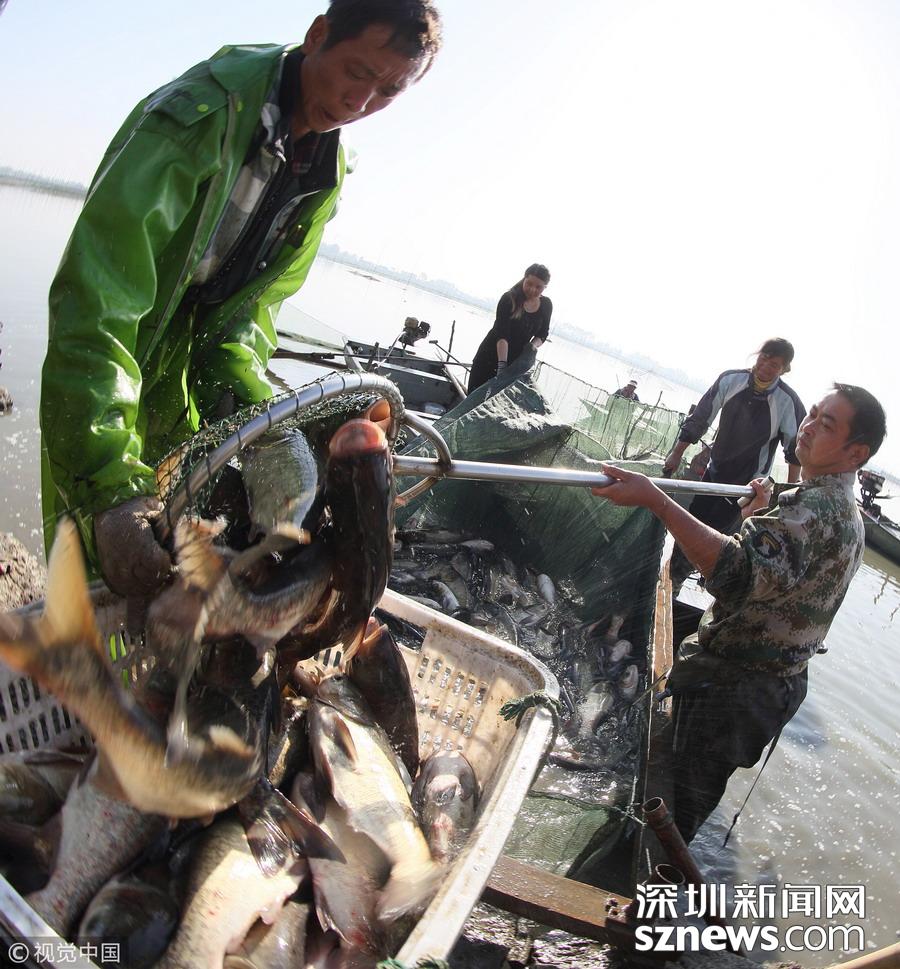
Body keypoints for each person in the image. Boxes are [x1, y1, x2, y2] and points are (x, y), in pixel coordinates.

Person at [39, 0, 443, 596]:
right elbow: (99, 300)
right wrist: (107, 483)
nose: (360, 102)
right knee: (92, 562)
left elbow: (248, 320)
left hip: (179, 379)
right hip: (112, 367)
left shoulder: (324, 172)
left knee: (178, 568)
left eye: (388, 91)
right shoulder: (201, 115)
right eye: (357, 72)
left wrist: (266, 427)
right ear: (318, 35)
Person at [592, 383, 886, 843]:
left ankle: (637, 881)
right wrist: (761, 515)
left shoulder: (818, 508)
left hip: (738, 691)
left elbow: (736, 574)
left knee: (670, 814)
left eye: (827, 424)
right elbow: (780, 580)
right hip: (760, 684)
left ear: (856, 453)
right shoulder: (833, 505)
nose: (808, 426)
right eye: (812, 414)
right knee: (672, 794)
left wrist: (656, 499)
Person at [663, 338, 806, 593]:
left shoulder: (788, 401)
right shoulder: (731, 380)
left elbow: (794, 451)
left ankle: (692, 583)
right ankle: (673, 582)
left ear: (784, 369)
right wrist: (676, 454)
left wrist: (791, 492)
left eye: (774, 365)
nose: (765, 367)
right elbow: (701, 418)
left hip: (746, 489)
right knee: (691, 526)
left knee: (717, 538)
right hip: (713, 475)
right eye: (763, 358)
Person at [467, 264, 552, 394]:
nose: (532, 289)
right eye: (529, 284)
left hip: (515, 363)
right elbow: (502, 335)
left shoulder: (546, 305)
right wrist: (502, 366)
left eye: (538, 287)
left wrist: (531, 347)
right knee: (474, 396)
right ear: (524, 278)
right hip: (490, 356)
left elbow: (543, 333)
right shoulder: (509, 298)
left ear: (545, 287)